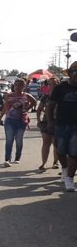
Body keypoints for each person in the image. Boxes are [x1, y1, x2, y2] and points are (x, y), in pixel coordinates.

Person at [46, 62, 77, 192]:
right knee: (60, 150)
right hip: (61, 123)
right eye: (75, 73)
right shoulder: (60, 88)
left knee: (74, 152)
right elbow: (50, 106)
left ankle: (70, 179)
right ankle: (64, 169)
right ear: (70, 74)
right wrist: (49, 121)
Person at [0, 78, 36, 167]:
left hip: (21, 121)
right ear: (14, 86)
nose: (18, 87)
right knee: (9, 140)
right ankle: (7, 159)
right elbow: (5, 107)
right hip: (9, 120)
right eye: (16, 85)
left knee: (19, 140)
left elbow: (34, 102)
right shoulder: (9, 95)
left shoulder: (26, 95)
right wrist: (0, 118)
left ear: (24, 86)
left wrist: (27, 109)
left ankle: (17, 158)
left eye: (20, 85)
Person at [36, 77, 59, 172]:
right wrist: (38, 120)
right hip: (46, 122)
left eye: (54, 84)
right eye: (50, 84)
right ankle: (44, 163)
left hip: (58, 123)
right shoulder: (45, 97)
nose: (52, 86)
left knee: (56, 144)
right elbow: (39, 109)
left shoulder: (61, 97)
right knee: (46, 143)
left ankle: (55, 162)